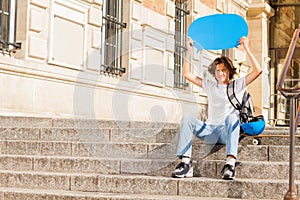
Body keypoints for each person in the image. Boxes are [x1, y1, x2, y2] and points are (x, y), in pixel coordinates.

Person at [172, 36, 262, 180]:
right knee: (187, 118)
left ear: (230, 71)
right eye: (218, 70)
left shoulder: (237, 85)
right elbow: (186, 74)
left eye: (224, 70)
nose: (220, 73)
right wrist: (188, 51)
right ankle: (185, 163)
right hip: (210, 131)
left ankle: (230, 165)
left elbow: (258, 71)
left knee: (233, 117)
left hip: (226, 132)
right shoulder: (210, 86)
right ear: (214, 72)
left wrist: (247, 48)